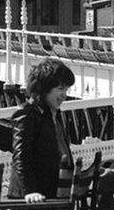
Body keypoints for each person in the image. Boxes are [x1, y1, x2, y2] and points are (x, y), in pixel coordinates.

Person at [8, 59, 76, 202]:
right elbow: (21, 156)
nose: (64, 95)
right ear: (44, 88)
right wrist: (30, 191)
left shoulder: (52, 113)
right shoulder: (27, 114)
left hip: (52, 191)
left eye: (66, 89)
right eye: (60, 89)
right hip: (33, 198)